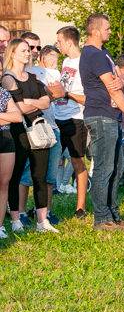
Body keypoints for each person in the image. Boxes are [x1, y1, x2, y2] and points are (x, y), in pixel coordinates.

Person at [79, 14, 124, 231]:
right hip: (101, 116)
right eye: (107, 28)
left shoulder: (104, 53)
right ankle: (101, 219)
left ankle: (112, 214)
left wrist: (120, 79)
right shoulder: (93, 55)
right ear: (95, 31)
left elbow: (121, 78)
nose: (110, 31)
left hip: (111, 116)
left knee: (117, 168)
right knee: (104, 168)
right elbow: (114, 86)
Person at [1, 39, 54, 233]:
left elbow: (47, 101)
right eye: (24, 50)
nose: (29, 53)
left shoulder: (32, 77)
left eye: (29, 50)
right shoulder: (8, 78)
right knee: (14, 177)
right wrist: (35, 102)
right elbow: (19, 108)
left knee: (40, 175)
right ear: (12, 53)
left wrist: (30, 102)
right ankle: (15, 220)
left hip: (39, 130)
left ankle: (42, 220)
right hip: (18, 132)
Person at [19, 46, 64, 226]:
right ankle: (21, 212)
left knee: (50, 176)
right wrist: (48, 96)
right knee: (28, 174)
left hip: (53, 128)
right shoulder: (27, 72)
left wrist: (47, 97)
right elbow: (44, 97)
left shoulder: (53, 73)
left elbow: (56, 95)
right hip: (33, 128)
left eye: (36, 47)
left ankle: (46, 212)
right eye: (30, 48)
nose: (32, 51)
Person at [54, 26, 89, 219]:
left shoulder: (84, 62)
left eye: (59, 41)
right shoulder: (66, 61)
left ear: (69, 42)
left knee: (76, 160)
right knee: (54, 161)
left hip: (76, 118)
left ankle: (80, 207)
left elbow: (88, 97)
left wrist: (66, 94)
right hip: (58, 115)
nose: (57, 45)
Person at [0, 86, 23, 238]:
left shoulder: (3, 92)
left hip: (6, 139)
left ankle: (0, 226)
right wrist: (6, 116)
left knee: (3, 184)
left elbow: (18, 117)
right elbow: (11, 116)